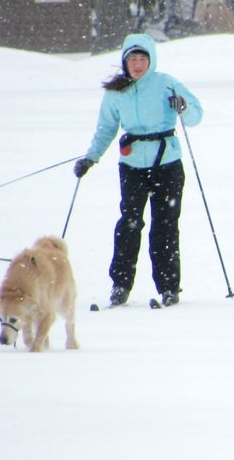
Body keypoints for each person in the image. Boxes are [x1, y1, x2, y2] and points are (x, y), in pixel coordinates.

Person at [73, 33, 203, 307]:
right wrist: (90, 158)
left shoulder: (166, 84)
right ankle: (120, 285)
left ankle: (169, 287)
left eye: (143, 58)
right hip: (132, 165)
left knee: (165, 226)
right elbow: (106, 129)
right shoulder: (116, 91)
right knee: (129, 224)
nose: (138, 64)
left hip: (167, 163)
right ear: (125, 60)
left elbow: (195, 116)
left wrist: (183, 106)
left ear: (151, 59)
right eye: (133, 58)